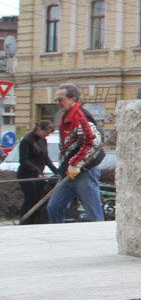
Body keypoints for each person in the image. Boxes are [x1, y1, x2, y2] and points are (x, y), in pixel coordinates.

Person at [47, 85, 105, 223]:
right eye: (56, 100)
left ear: (73, 99)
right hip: (69, 171)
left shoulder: (80, 116)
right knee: (53, 207)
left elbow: (93, 142)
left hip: (85, 170)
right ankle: (58, 236)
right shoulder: (66, 115)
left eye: (60, 99)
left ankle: (100, 240)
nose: (58, 103)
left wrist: (75, 163)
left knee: (93, 214)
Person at [16, 120, 57, 224]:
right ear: (39, 129)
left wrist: (56, 170)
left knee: (38, 199)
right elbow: (23, 160)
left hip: (38, 174)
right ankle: (24, 221)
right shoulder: (27, 140)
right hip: (27, 174)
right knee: (30, 199)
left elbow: (45, 158)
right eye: (45, 133)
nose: (46, 136)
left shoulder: (43, 141)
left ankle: (35, 221)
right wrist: (35, 170)